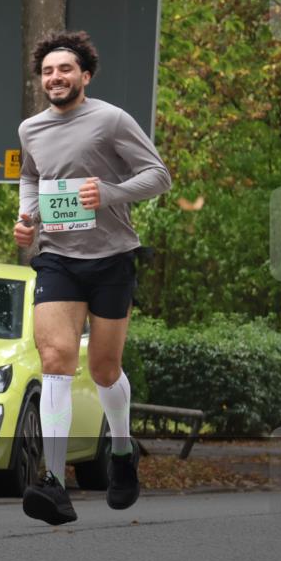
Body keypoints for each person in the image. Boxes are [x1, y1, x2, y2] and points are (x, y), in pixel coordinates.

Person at [13, 31, 171, 525]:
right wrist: (27, 216)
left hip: (111, 257)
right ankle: (54, 481)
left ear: (84, 76)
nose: (55, 78)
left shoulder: (110, 119)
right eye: (47, 72)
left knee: (104, 369)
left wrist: (109, 194)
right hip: (58, 255)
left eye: (65, 70)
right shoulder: (30, 128)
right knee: (56, 359)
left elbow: (158, 176)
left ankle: (122, 450)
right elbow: (32, 176)